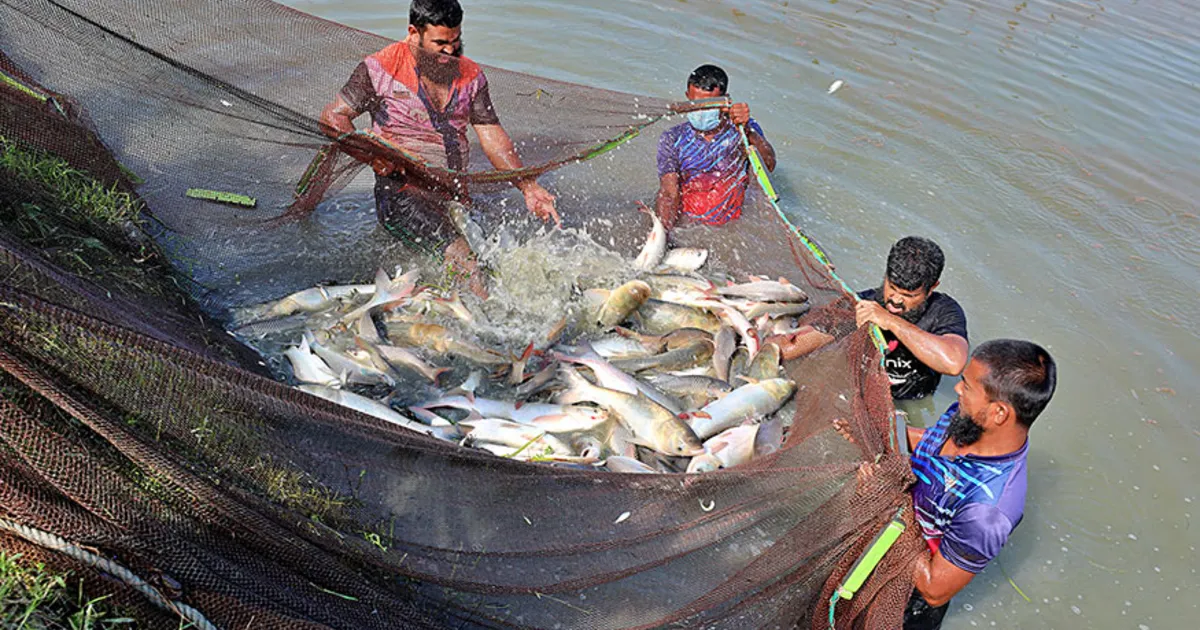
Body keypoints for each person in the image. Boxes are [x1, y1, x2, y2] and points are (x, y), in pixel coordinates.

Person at [319, 0, 557, 293]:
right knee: (468, 264)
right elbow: (332, 118)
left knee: (503, 259)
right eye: (440, 43)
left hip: (453, 195)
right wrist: (372, 156)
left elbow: (491, 133)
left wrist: (528, 186)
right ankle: (486, 332)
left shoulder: (470, 75)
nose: (449, 52)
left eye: (455, 42)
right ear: (413, 33)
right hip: (401, 195)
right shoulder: (379, 68)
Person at [902, 339, 1057, 628]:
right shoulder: (968, 416)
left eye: (967, 386)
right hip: (885, 541)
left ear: (999, 413)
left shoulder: (988, 511)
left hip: (907, 600)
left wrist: (886, 508)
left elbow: (933, 589)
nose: (958, 389)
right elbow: (932, 442)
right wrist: (885, 429)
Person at [769, 236, 968, 401]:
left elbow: (953, 363)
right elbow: (791, 347)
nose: (895, 302)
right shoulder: (861, 304)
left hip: (913, 400)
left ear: (932, 287)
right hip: (857, 394)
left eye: (909, 296)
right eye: (893, 289)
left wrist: (890, 321)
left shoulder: (944, 312)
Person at [654, 64, 775, 231]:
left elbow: (769, 164)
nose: (701, 110)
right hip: (687, 225)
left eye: (709, 104)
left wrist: (747, 131)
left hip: (729, 227)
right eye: (696, 103)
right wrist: (664, 233)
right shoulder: (673, 138)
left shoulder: (742, 130)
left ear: (724, 100)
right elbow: (668, 193)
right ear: (687, 97)